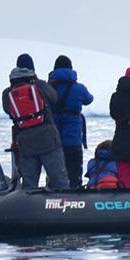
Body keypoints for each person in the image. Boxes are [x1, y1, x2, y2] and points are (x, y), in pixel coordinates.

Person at [2, 53, 68, 190]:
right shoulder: (40, 85)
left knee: (29, 185)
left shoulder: (8, 93)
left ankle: (29, 210)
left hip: (26, 143)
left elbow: (9, 110)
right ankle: (64, 207)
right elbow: (55, 98)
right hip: (49, 139)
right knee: (60, 182)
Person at [47, 55, 95, 188]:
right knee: (74, 173)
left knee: (56, 175)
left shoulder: (48, 88)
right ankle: (77, 199)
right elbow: (89, 99)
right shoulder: (79, 88)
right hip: (73, 138)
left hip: (54, 140)